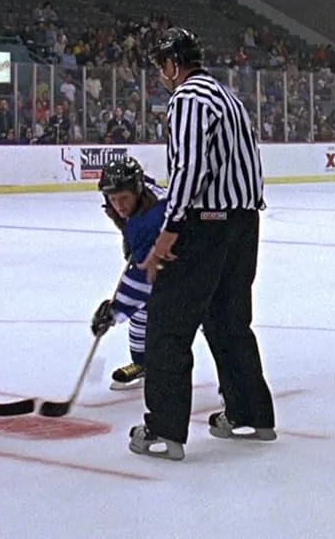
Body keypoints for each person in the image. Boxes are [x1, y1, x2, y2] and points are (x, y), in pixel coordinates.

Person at [133, 27, 276, 461]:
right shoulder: (227, 97)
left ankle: (164, 430)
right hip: (244, 222)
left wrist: (170, 229)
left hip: (205, 225)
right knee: (228, 320)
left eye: (162, 65)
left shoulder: (189, 98)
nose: (161, 74)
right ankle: (251, 414)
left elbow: (189, 168)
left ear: (173, 63)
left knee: (167, 324)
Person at [90, 157, 167, 391]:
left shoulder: (147, 220)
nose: (119, 205)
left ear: (137, 190)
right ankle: (143, 363)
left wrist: (115, 312)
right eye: (113, 199)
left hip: (202, 261)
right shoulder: (144, 194)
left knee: (210, 320)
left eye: (124, 198)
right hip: (168, 256)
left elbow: (143, 278)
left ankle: (234, 386)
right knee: (142, 311)